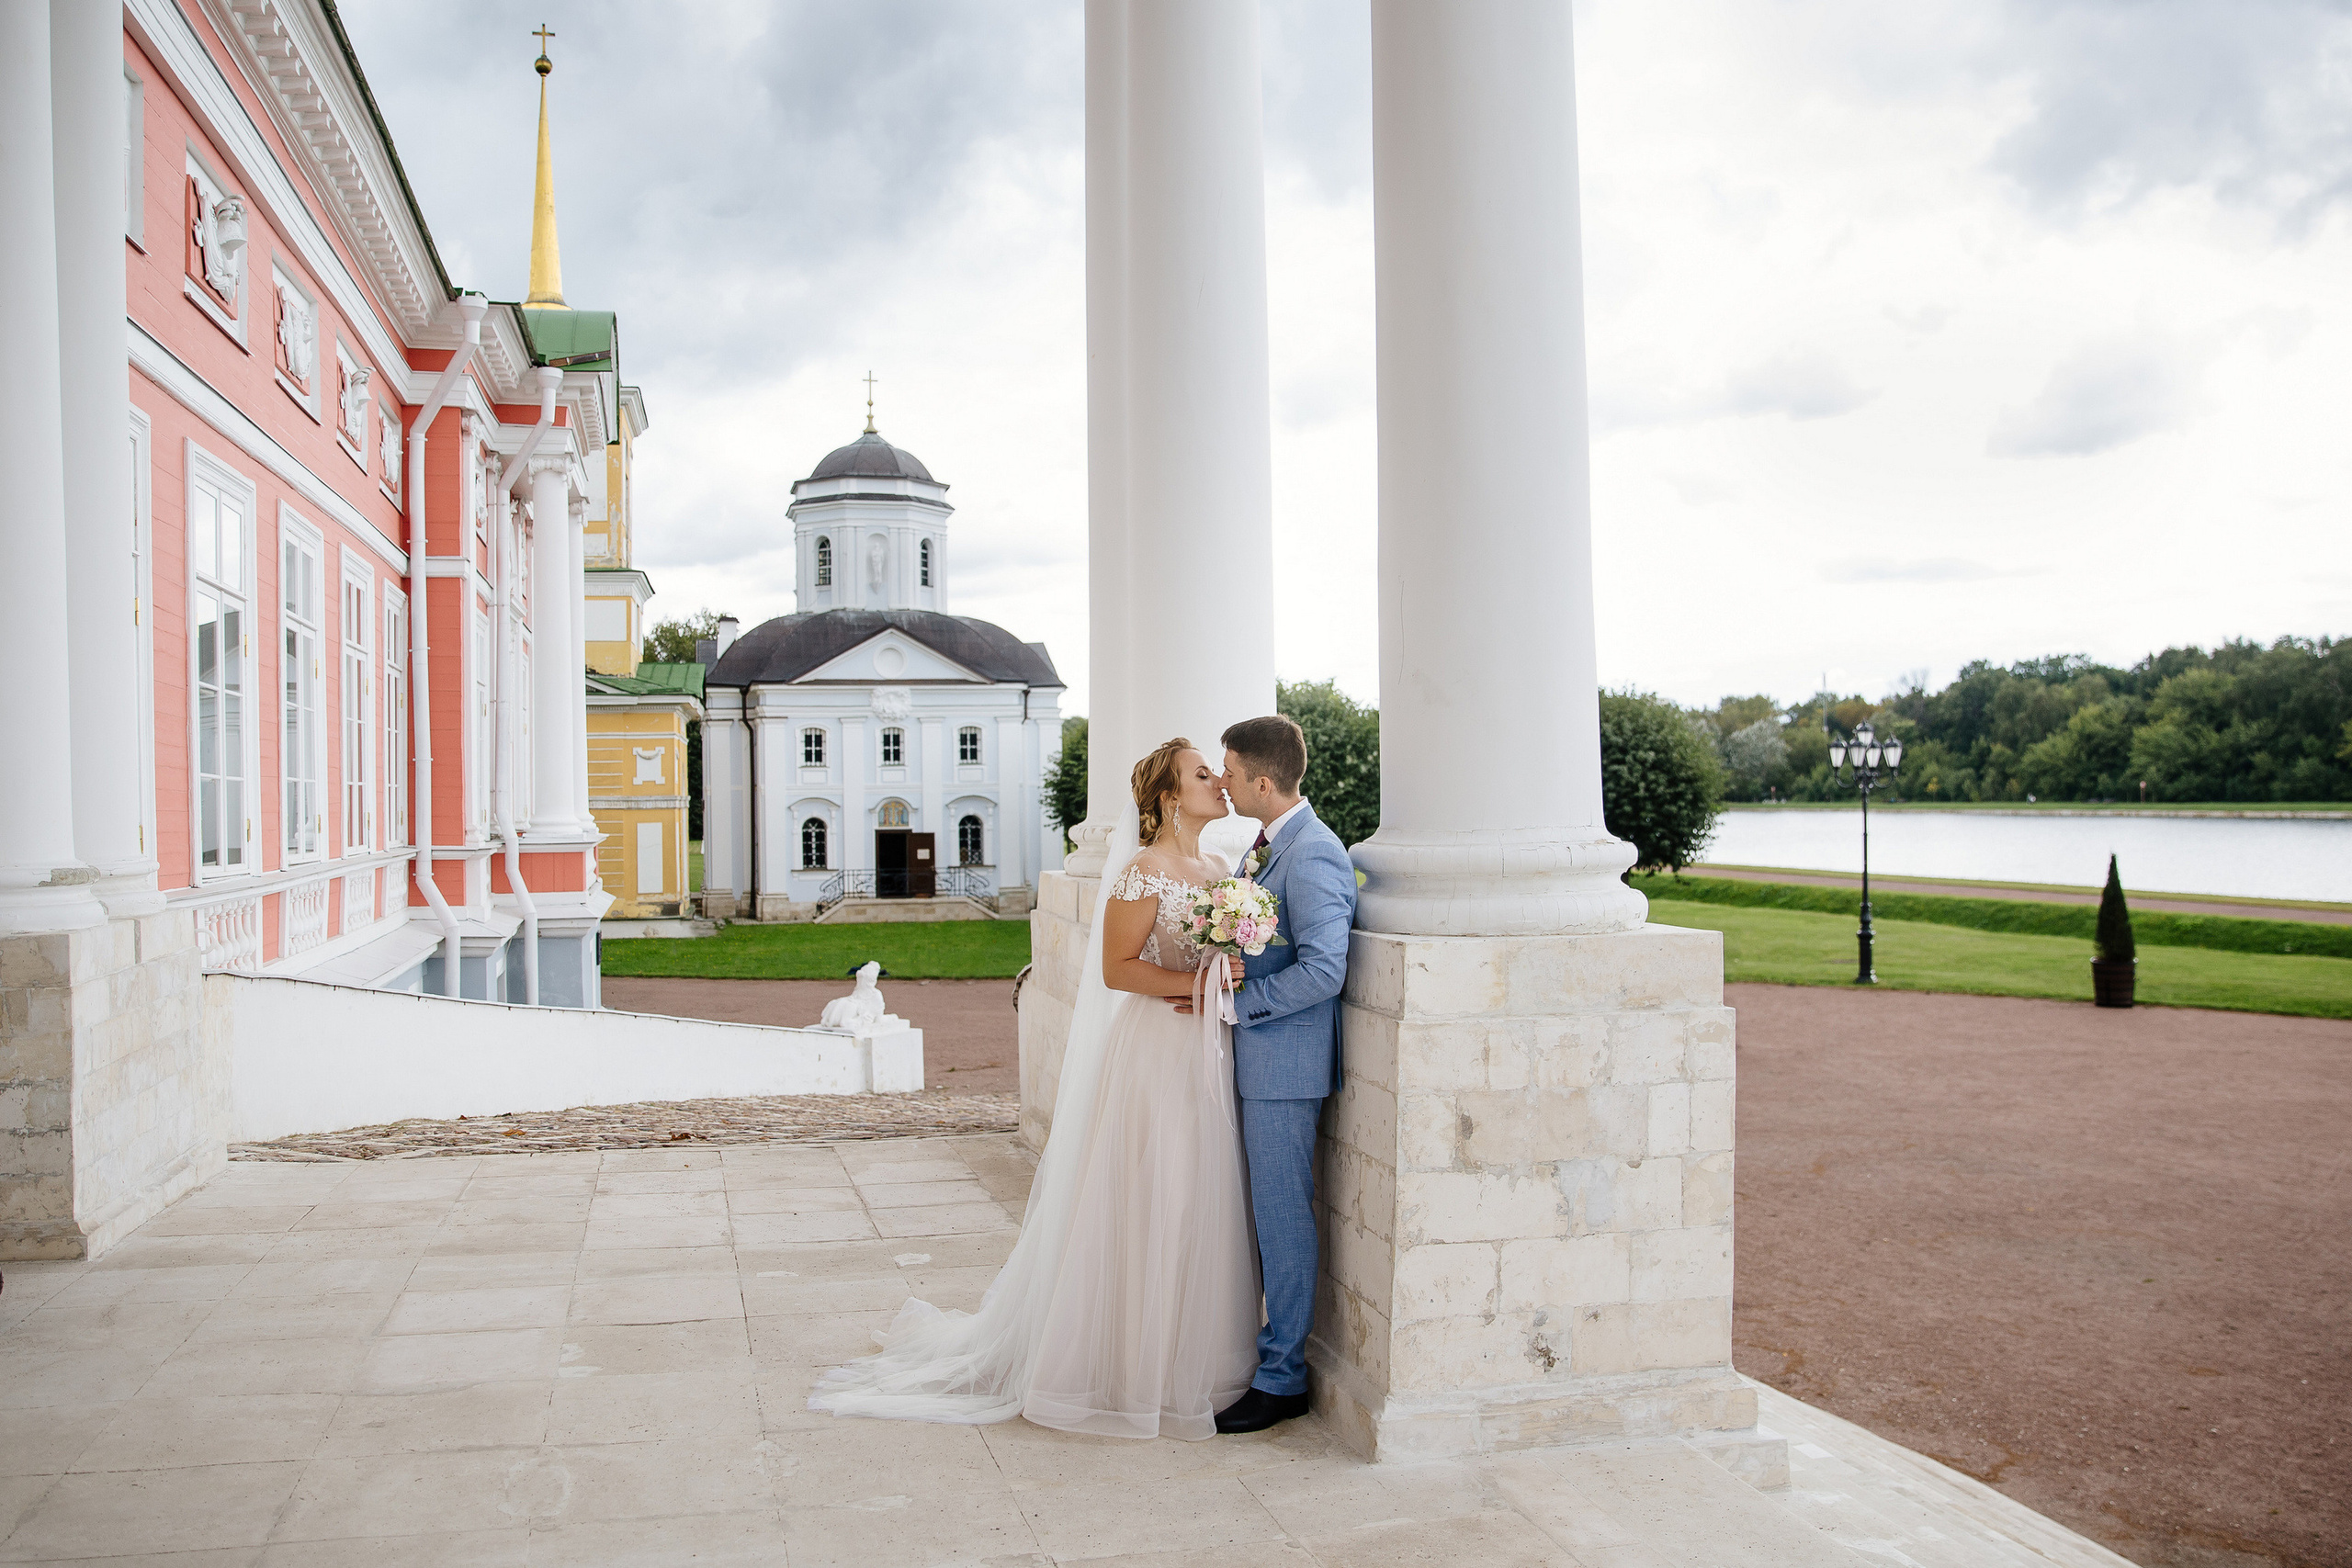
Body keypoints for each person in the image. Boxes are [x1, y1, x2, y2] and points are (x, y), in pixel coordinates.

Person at [807, 738, 1261, 1438]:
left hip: (1209, 1048)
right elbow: (1115, 969)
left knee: (1203, 1191)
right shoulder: (1145, 870)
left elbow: (1227, 953)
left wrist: (1228, 968)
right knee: (1156, 1189)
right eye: (1201, 774)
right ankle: (1128, 1366)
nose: (1217, 781)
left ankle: (1195, 1360)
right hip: (1156, 1048)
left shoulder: (1223, 866)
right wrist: (1196, 983)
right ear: (1170, 797)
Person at [1207, 715, 1356, 1433]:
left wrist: (1245, 1004)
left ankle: (1282, 1376)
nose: (1224, 783)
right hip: (1259, 1062)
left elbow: (1326, 968)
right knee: (1262, 1216)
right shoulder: (1266, 847)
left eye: (1230, 772)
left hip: (1285, 1068)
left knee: (1282, 1218)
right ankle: (1268, 1359)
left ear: (1263, 780)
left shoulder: (1316, 853)